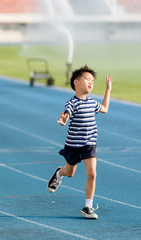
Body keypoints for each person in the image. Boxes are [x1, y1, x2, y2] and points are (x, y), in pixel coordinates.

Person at [47, 65, 113, 219]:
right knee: (70, 173)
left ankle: (87, 207)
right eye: (87, 79)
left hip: (89, 144)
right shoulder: (72, 102)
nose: (91, 82)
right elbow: (66, 113)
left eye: (92, 81)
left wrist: (108, 89)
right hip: (73, 145)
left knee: (92, 173)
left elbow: (104, 108)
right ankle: (59, 173)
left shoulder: (92, 103)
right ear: (76, 82)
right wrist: (64, 119)